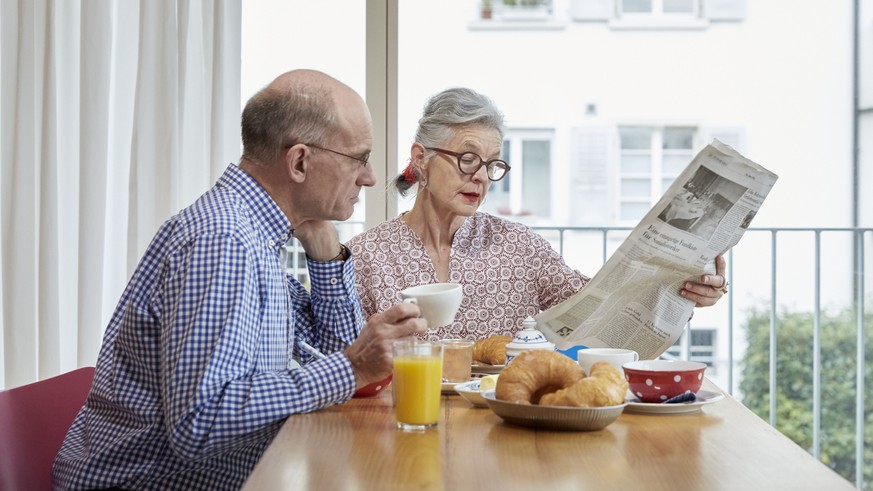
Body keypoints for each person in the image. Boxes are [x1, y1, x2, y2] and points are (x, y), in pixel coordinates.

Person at [52, 69, 426, 490]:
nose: (370, 176)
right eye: (359, 158)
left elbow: (335, 352)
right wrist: (352, 367)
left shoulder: (256, 234)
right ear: (300, 161)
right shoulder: (224, 242)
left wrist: (326, 254)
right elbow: (201, 423)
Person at [347, 87, 727, 341]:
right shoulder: (364, 257)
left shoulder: (521, 248)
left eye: (492, 164)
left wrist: (681, 288)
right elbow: (348, 368)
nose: (480, 176)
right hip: (402, 433)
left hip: (507, 439)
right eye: (467, 159)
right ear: (421, 158)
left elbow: (600, 311)